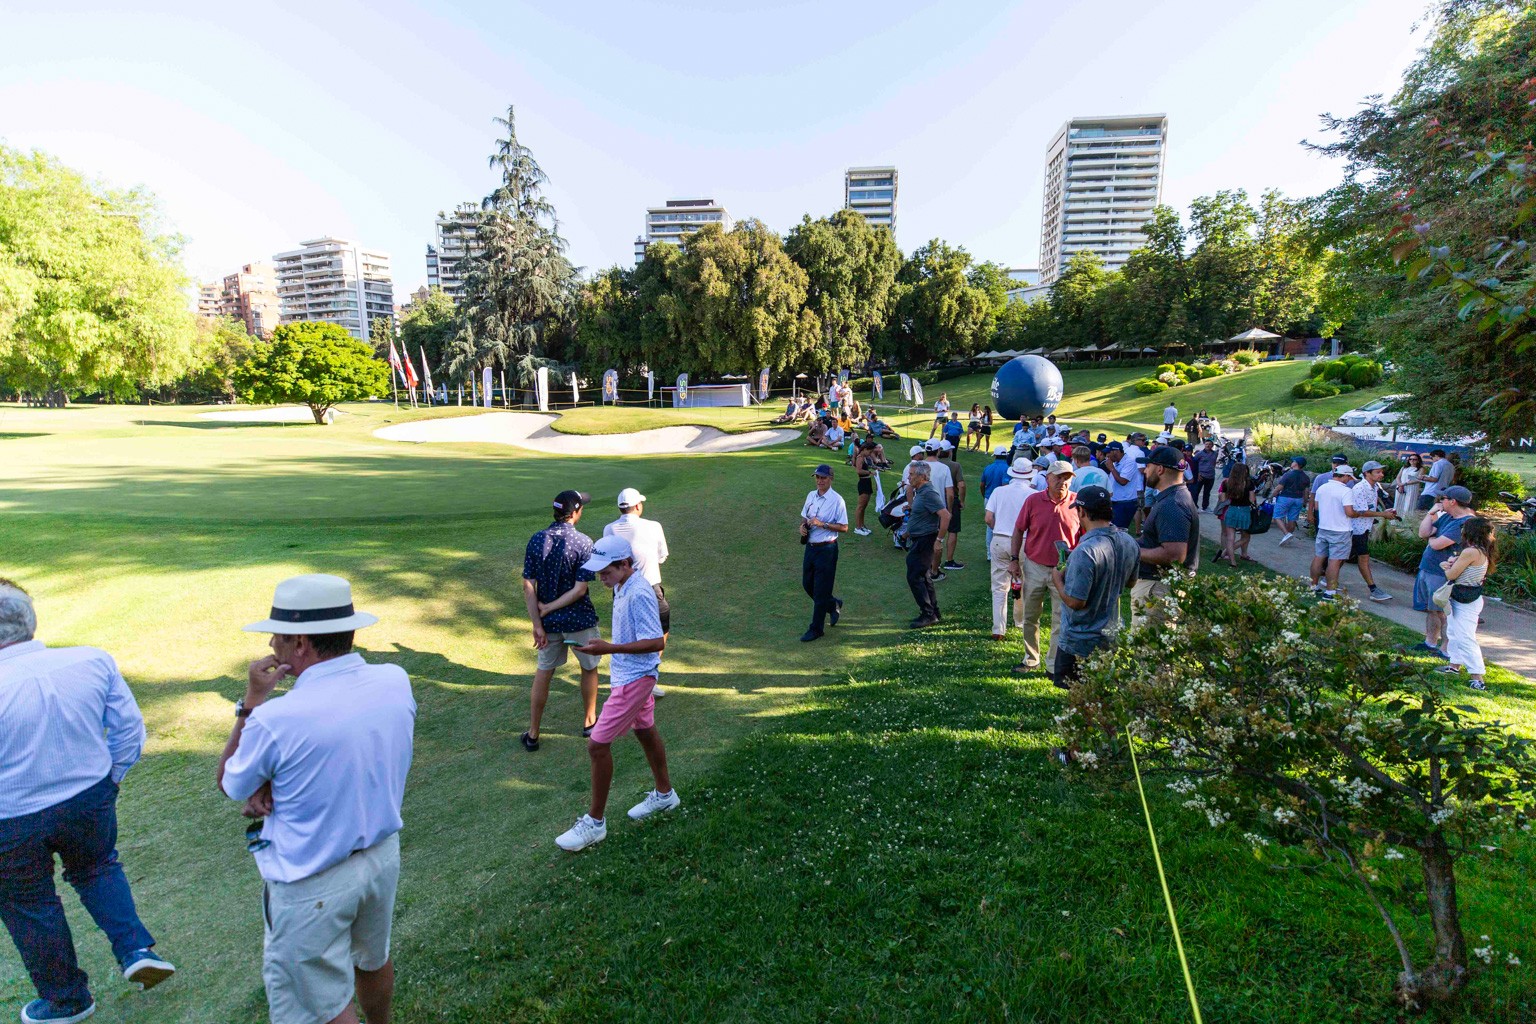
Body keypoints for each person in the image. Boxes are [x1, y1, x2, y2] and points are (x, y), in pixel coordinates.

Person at [219, 574, 415, 1024]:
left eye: (278, 635)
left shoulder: (276, 718)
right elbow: (346, 746)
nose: (271, 643)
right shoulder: (395, 679)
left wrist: (251, 700)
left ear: (301, 643)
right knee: (373, 959)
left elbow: (230, 782)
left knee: (320, 1006)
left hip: (312, 882)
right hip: (381, 858)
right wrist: (279, 778)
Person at [0, 581, 176, 1024]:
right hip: (88, 797)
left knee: (29, 903)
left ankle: (66, 1000)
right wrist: (110, 780)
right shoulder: (91, 659)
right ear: (30, 620)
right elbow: (129, 729)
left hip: (11, 815)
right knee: (98, 868)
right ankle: (136, 949)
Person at [553, 536, 679, 852]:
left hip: (636, 678)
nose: (601, 578)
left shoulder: (638, 593)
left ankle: (595, 823)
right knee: (645, 730)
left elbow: (656, 642)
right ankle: (665, 795)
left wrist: (609, 648)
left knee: (597, 745)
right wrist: (607, 649)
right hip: (627, 675)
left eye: (605, 571)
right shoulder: (622, 586)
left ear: (624, 564)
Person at [520, 490, 601, 752]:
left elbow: (528, 586)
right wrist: (547, 609)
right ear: (575, 512)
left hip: (549, 624)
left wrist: (538, 623)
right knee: (589, 668)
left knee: (544, 672)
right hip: (579, 619)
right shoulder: (584, 542)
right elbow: (580, 590)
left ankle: (533, 733)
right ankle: (589, 722)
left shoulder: (536, 539)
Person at [1048, 486, 1141, 688]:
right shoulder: (1129, 542)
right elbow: (1131, 582)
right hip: (1110, 636)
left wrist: (1057, 579)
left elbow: (1076, 602)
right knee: (1100, 695)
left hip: (1079, 640)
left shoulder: (1085, 551)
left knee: (1077, 697)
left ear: (1082, 511)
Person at [1007, 460, 1080, 673]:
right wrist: (1014, 559)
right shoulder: (1033, 500)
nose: (1062, 482)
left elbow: (1085, 536)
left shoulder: (1077, 503)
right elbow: (1018, 530)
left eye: (1067, 478)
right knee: (1030, 615)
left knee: (1061, 618)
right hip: (1035, 566)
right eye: (1058, 477)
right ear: (1047, 478)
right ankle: (1031, 659)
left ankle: (1053, 665)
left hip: (1064, 569)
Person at [603, 487, 672, 695]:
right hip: (650, 588)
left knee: (626, 632)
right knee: (660, 630)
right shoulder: (654, 526)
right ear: (638, 506)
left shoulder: (609, 529)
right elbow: (662, 556)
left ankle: (636, 678)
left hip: (621, 590)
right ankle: (647, 677)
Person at [1133, 447, 1200, 625]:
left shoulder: (1173, 504)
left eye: (1148, 466)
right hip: (1160, 586)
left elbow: (1175, 555)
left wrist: (1132, 550)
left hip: (1159, 588)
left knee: (1148, 642)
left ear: (1160, 469)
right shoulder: (1174, 497)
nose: (1145, 471)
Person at [1412, 486, 1475, 659]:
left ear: (1452, 501)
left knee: (1443, 613)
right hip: (1428, 568)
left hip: (1442, 574)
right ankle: (1430, 642)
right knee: (1431, 610)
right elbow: (1423, 533)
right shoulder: (1447, 516)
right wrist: (1430, 514)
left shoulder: (1465, 523)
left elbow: (1436, 544)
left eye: (1443, 498)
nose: (1440, 501)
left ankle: (1446, 649)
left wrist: (1431, 538)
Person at [1440, 517, 1494, 689]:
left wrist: (1446, 566)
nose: (1461, 531)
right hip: (1466, 597)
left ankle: (1478, 678)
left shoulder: (1470, 552)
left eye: (1463, 528)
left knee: (1465, 637)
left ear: (1470, 531)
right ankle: (1454, 665)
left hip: (1465, 601)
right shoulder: (1481, 550)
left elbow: (1451, 575)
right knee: (1453, 632)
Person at [984, 459, 1036, 639]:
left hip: (1000, 538)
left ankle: (998, 628)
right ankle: (1020, 621)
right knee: (1022, 581)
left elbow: (988, 518)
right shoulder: (1034, 495)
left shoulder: (999, 491)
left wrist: (999, 529)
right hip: (1024, 541)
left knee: (999, 586)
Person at [798, 464, 848, 642]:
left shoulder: (837, 500)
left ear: (830, 479)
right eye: (817, 477)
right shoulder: (811, 495)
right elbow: (805, 516)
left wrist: (823, 524)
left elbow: (844, 527)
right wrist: (802, 526)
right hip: (811, 547)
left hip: (827, 549)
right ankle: (832, 604)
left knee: (820, 590)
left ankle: (816, 629)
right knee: (807, 584)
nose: (820, 481)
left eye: (823, 478)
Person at [903, 463, 949, 628]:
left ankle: (928, 614)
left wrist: (939, 540)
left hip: (925, 540)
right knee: (924, 576)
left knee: (915, 576)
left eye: (912, 474)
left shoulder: (929, 493)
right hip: (920, 539)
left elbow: (945, 516)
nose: (908, 477)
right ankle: (933, 612)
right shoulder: (921, 491)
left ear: (922, 477)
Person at [1346, 461, 1400, 602]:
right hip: (1357, 528)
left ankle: (1326, 577)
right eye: (1378, 472)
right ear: (1367, 473)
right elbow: (1361, 511)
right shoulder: (1360, 488)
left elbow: (1369, 508)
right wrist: (1383, 515)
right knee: (1363, 558)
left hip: (1363, 528)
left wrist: (1385, 512)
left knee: (1342, 557)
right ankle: (1373, 589)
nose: (1381, 474)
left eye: (1381, 472)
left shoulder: (1374, 487)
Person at [1309, 464, 1358, 600]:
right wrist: (1357, 514)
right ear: (1345, 476)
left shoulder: (1322, 488)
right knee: (1335, 561)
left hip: (1324, 527)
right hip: (1341, 530)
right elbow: (1349, 512)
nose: (1349, 480)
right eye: (1349, 477)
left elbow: (1317, 507)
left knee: (1319, 557)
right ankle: (1330, 592)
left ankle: (1313, 585)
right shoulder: (1346, 491)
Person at [1218, 461, 1255, 566]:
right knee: (1246, 537)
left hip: (1231, 510)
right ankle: (1226, 552)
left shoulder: (1226, 483)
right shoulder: (1249, 483)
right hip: (1244, 511)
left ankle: (1232, 561)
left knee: (1230, 537)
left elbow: (1223, 499)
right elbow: (1252, 500)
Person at [939, 441, 967, 573]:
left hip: (935, 500)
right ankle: (949, 560)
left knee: (935, 529)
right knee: (952, 530)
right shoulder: (955, 465)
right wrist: (962, 500)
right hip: (951, 499)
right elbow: (961, 485)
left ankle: (933, 560)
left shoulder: (933, 465)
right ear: (949, 452)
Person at [1270, 456, 1311, 546]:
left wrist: (1272, 495)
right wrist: (1305, 501)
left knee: (1277, 516)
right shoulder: (1305, 477)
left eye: (1293, 461)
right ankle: (1288, 537)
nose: (1292, 463)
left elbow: (1279, 487)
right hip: (1298, 499)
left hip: (1285, 497)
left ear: (1296, 464)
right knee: (1292, 519)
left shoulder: (1288, 475)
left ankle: (1286, 534)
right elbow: (1306, 491)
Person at [1105, 441, 1139, 529]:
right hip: (1116, 501)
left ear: (1116, 452)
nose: (1107, 456)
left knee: (1119, 530)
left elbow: (1123, 481)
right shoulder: (1116, 462)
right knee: (1111, 529)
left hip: (1125, 503)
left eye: (1108, 453)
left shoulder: (1129, 462)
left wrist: (1111, 468)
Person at [853, 438, 878, 536]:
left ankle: (862, 525)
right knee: (860, 506)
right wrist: (870, 472)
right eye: (870, 451)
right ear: (865, 449)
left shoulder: (865, 458)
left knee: (864, 506)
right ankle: (858, 527)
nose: (870, 453)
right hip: (863, 483)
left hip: (867, 482)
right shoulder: (860, 457)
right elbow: (858, 471)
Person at [1190, 439, 1219, 511]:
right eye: (1206, 444)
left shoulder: (1215, 453)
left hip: (1211, 476)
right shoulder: (1199, 454)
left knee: (1207, 493)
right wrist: (1197, 473)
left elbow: (1214, 462)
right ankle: (1194, 507)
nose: (1208, 445)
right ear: (1204, 445)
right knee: (1196, 492)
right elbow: (1194, 463)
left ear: (1212, 445)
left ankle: (1205, 507)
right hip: (1201, 476)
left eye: (1209, 444)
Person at [1393, 452, 1425, 517]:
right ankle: (1396, 519)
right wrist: (1400, 485)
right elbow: (1398, 477)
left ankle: (1407, 520)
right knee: (1398, 503)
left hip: (1412, 488)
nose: (1412, 460)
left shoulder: (1421, 469)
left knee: (1409, 504)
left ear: (1418, 460)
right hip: (1400, 487)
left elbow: (1418, 479)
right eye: (1410, 459)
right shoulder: (1404, 467)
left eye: (1414, 459)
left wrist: (1404, 484)